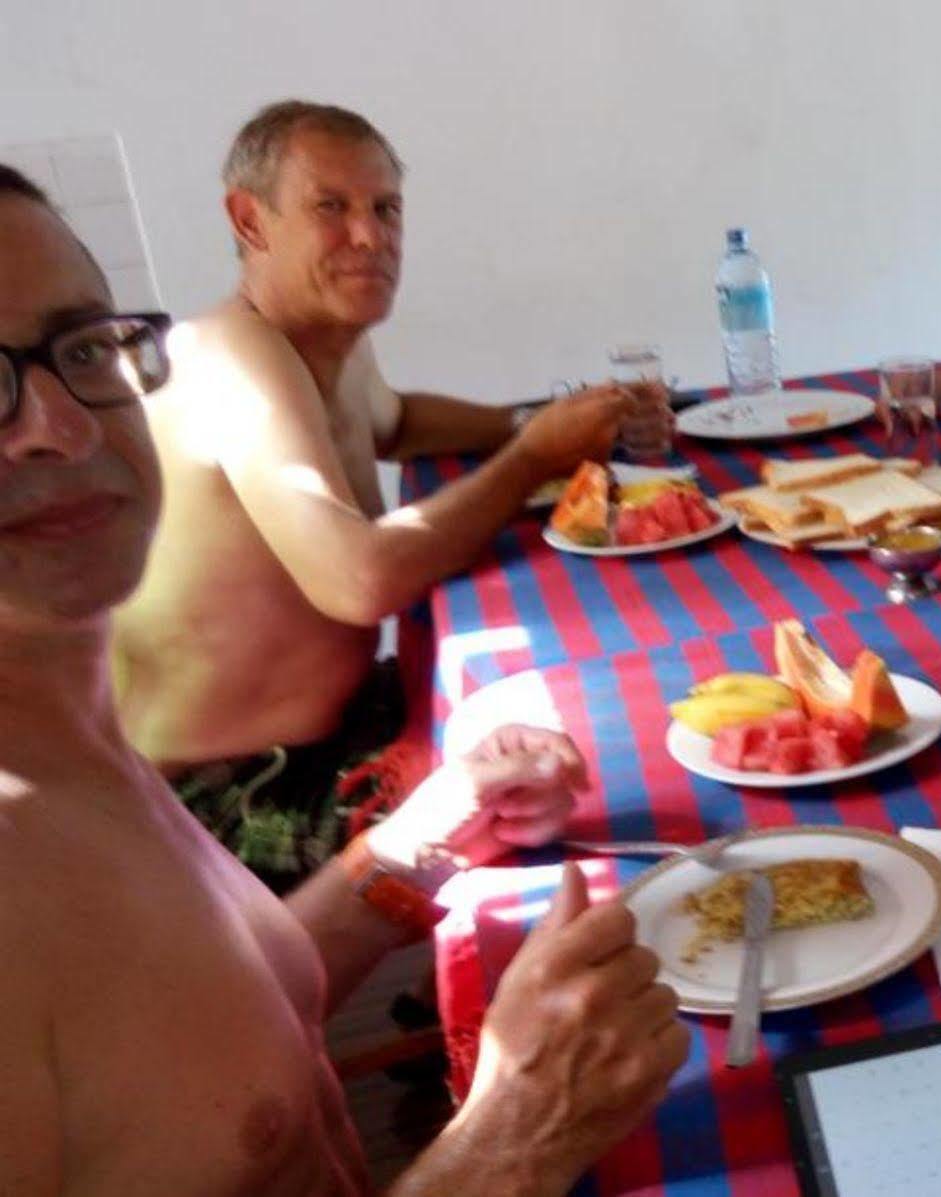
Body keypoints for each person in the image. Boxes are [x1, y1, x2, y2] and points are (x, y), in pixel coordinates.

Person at [0, 163, 689, 1194]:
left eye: (87, 347)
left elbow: (225, 1018)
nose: (65, 425)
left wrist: (422, 843)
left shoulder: (69, 735)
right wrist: (510, 1143)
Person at [110, 101, 648, 885]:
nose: (370, 236)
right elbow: (359, 582)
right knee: (584, 777)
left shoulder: (320, 342)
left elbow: (396, 422)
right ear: (250, 221)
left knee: (578, 679)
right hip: (233, 795)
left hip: (345, 724)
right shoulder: (227, 356)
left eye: (385, 208)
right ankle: (501, 987)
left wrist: (536, 420)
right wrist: (535, 453)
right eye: (332, 207)